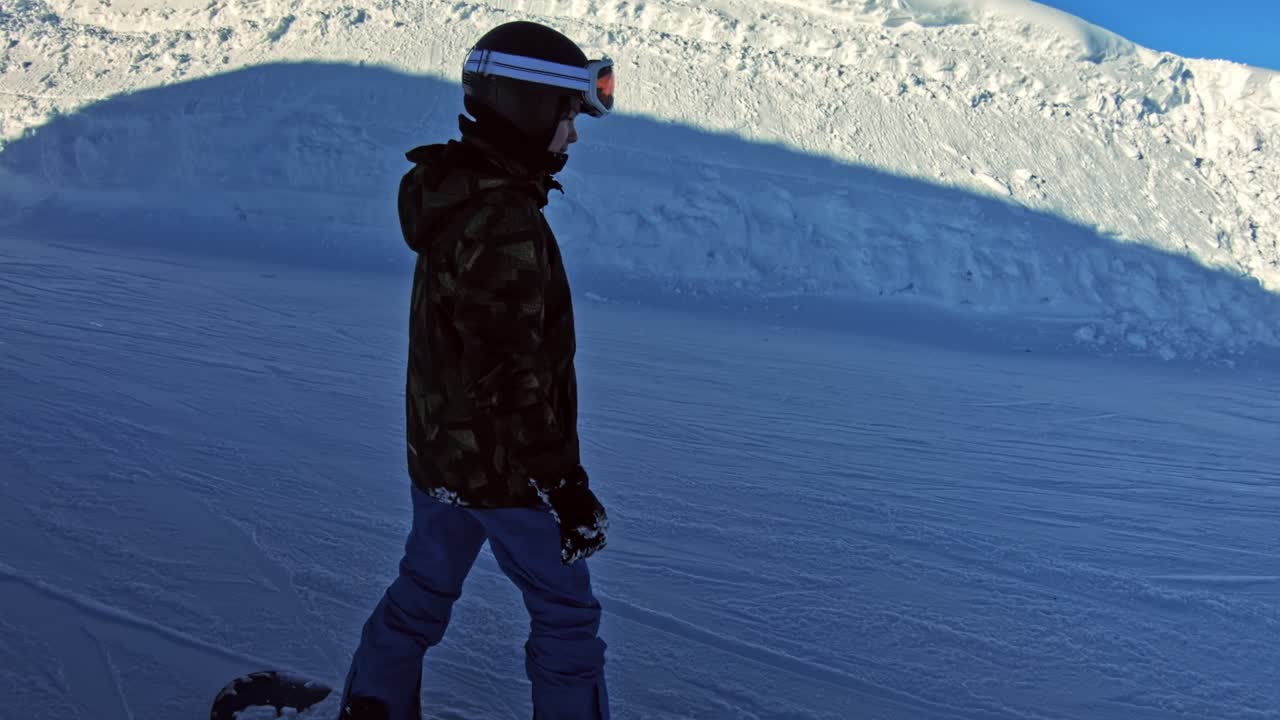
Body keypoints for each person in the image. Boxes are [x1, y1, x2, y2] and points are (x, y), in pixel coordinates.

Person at [337, 20, 616, 720]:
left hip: (444, 457)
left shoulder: (458, 193)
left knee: (423, 593)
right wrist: (562, 483)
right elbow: (506, 370)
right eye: (567, 116)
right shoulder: (502, 218)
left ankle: (373, 707)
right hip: (506, 472)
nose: (572, 136)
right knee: (566, 616)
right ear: (527, 108)